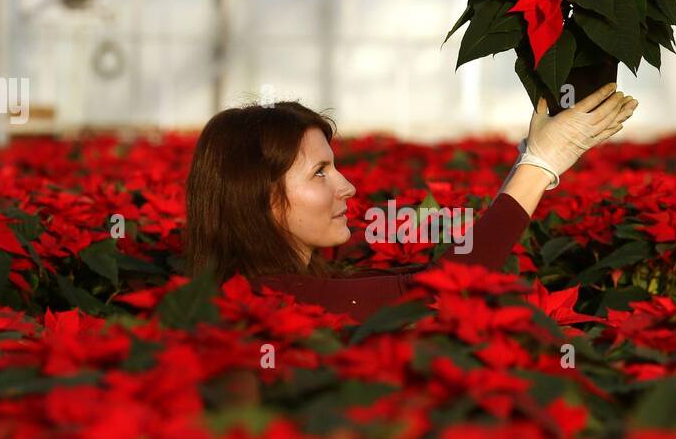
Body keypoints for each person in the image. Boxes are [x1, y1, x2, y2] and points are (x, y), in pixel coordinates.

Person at [183, 84, 638, 318]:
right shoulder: (269, 302)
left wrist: (533, 161)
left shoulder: (278, 280)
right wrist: (540, 165)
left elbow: (424, 276)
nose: (347, 187)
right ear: (257, 198)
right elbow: (436, 289)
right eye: (320, 173)